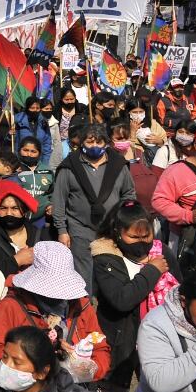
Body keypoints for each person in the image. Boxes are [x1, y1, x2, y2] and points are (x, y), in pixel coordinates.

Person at [90, 199, 177, 392]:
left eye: (145, 236)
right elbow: (122, 299)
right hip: (121, 338)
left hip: (159, 337)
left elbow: (180, 290)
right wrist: (151, 271)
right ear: (118, 234)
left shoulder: (162, 252)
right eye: (134, 238)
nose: (141, 243)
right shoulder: (105, 258)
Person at [0, 241, 110, 383]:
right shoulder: (10, 307)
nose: (57, 296)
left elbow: (100, 349)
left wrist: (88, 369)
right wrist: (33, 371)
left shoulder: (81, 304)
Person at [51, 123, 136, 288]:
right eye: (90, 142)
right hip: (80, 230)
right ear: (82, 143)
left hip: (111, 231)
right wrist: (62, 230)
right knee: (83, 277)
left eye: (99, 142)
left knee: (111, 275)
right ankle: (86, 309)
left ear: (106, 143)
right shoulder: (69, 167)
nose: (95, 146)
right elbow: (59, 200)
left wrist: (124, 219)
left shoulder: (118, 165)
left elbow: (129, 194)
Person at [0, 181, 41, 277]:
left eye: (15, 208)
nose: (9, 213)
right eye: (3, 208)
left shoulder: (39, 234)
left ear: (24, 210)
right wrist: (16, 261)